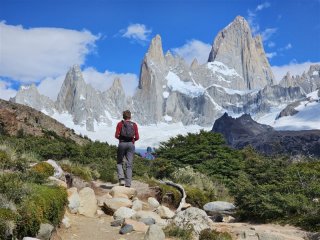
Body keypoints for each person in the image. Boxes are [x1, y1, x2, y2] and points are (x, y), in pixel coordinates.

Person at [115, 110, 139, 187]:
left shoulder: (120, 124)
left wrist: (122, 139)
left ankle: (121, 179)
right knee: (129, 165)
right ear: (130, 116)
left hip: (122, 144)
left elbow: (116, 135)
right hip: (131, 145)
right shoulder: (134, 125)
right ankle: (128, 184)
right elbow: (137, 137)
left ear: (123, 116)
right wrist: (132, 140)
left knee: (119, 162)